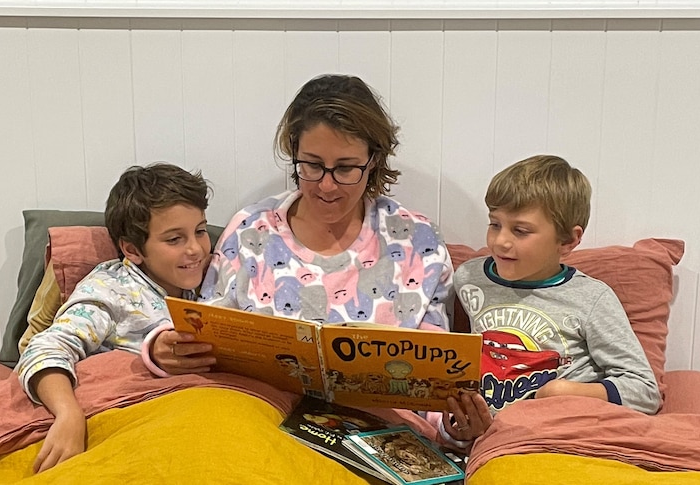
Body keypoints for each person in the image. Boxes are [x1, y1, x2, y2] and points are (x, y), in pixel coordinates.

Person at [142, 74, 492, 450]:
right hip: (258, 426)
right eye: (311, 165)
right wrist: (164, 350)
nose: (326, 186)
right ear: (294, 153)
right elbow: (207, 336)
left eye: (345, 168)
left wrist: (455, 425)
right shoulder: (250, 231)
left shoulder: (416, 241)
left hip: (380, 440)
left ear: (374, 160)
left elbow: (432, 382)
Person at [16, 163, 217, 473]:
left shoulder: (210, 281)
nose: (196, 250)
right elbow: (44, 349)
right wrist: (69, 415)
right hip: (125, 417)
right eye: (175, 239)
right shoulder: (112, 290)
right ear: (132, 249)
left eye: (200, 231)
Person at [454, 154, 661, 415]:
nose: (500, 241)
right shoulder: (468, 278)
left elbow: (645, 391)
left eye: (521, 231)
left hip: (558, 432)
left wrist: (564, 393)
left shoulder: (591, 298)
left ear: (567, 241)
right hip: (493, 435)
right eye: (495, 224)